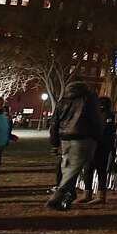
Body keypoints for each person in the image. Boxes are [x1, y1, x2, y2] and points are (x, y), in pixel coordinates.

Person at [46, 80, 103, 211]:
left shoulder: (63, 101)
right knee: (71, 171)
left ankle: (68, 196)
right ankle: (56, 199)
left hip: (65, 138)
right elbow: (96, 119)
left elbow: (54, 122)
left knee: (68, 168)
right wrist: (97, 136)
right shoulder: (88, 100)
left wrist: (54, 143)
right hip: (83, 138)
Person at [82, 96, 117, 205]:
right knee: (88, 169)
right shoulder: (94, 115)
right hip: (92, 146)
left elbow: (107, 132)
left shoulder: (108, 116)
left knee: (101, 171)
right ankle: (87, 194)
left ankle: (101, 195)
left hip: (102, 147)